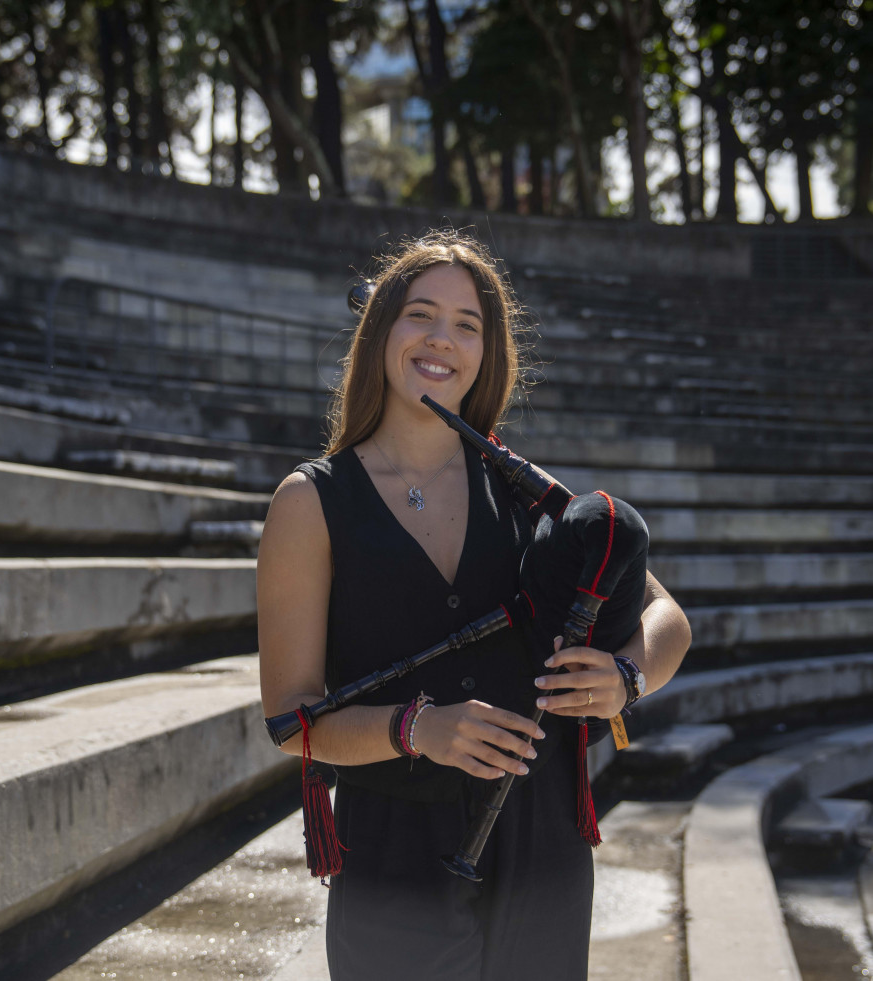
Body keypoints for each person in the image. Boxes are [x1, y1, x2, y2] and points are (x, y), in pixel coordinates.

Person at [257, 229, 691, 981]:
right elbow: (292, 721)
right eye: (419, 314)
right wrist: (417, 727)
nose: (441, 339)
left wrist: (626, 676)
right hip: (393, 850)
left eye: (467, 324)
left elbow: (667, 619)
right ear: (380, 331)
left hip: (542, 844)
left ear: (487, 352)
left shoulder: (526, 489)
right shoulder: (311, 502)